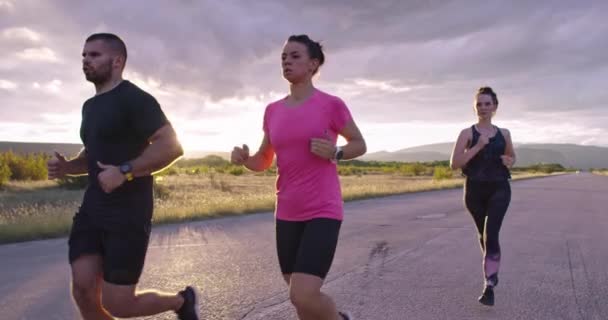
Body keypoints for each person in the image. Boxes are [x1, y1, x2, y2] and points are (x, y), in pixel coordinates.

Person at [47, 33, 199, 319]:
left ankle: (181, 301)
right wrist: (68, 167)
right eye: (83, 55)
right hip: (92, 210)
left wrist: (125, 172)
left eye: (94, 55)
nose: (85, 61)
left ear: (117, 61)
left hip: (128, 214)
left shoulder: (135, 99)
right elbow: (94, 155)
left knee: (118, 304)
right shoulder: (90, 106)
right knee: (82, 290)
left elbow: (171, 145)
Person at [230, 34, 366, 320]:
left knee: (303, 293)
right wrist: (245, 160)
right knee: (300, 299)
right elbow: (264, 160)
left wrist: (336, 152)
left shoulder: (331, 105)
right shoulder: (273, 111)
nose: (287, 61)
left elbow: (359, 143)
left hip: (323, 208)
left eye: (294, 56)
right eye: (283, 57)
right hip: (287, 211)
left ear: (313, 64)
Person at [449, 86, 515, 306]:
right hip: (474, 191)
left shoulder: (504, 133)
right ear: (475, 107)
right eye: (479, 104)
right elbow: (454, 164)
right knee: (482, 235)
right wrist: (477, 146)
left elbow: (511, 156)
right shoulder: (467, 134)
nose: (483, 108)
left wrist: (509, 160)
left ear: (495, 107)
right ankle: (490, 271)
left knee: (491, 233)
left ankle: (490, 284)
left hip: (499, 188)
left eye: (488, 104)